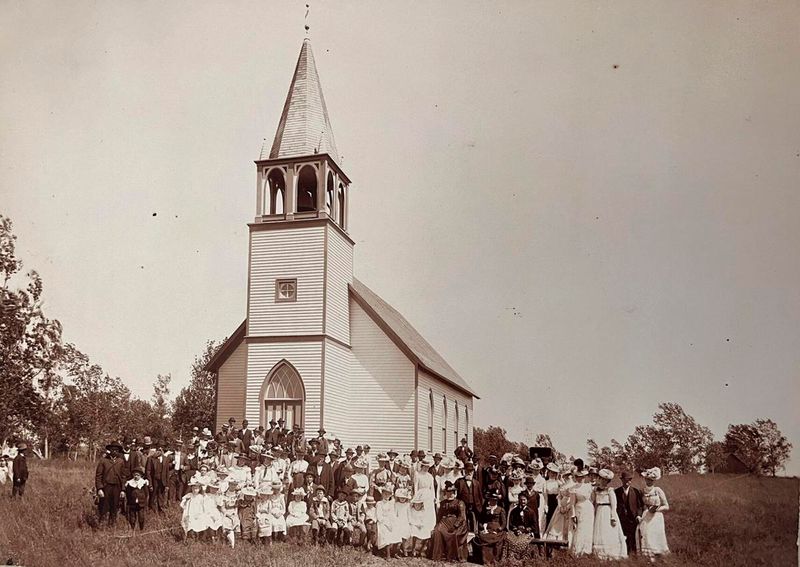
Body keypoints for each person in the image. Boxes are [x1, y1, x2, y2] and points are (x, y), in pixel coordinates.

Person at [591, 469, 627, 560]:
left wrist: (613, 516)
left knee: (608, 531)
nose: (603, 481)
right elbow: (593, 502)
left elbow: (614, 505)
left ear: (608, 481)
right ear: (599, 479)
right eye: (602, 479)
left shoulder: (610, 490)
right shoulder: (595, 490)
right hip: (599, 511)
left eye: (605, 480)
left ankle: (610, 553)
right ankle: (599, 554)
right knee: (599, 530)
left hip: (607, 511)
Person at [431, 481, 468, 561]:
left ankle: (452, 556)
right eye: (448, 493)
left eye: (451, 493)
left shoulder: (460, 503)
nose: (450, 494)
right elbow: (439, 516)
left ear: (455, 493)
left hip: (457, 523)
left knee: (453, 534)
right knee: (437, 531)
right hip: (444, 522)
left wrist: (456, 525)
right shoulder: (443, 503)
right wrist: (437, 524)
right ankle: (437, 555)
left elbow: (461, 516)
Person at [637, 467, 670, 559]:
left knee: (655, 534)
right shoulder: (642, 491)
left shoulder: (658, 490)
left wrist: (656, 509)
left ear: (654, 481)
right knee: (646, 533)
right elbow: (641, 505)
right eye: (647, 479)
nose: (649, 481)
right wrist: (641, 514)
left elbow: (666, 506)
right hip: (646, 514)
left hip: (656, 516)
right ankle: (648, 555)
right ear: (645, 479)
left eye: (651, 480)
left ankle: (658, 553)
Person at [95, 442, 127, 526]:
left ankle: (112, 525)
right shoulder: (103, 461)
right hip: (106, 487)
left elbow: (124, 476)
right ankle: (101, 524)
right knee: (104, 506)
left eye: (116, 450)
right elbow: (98, 476)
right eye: (113, 450)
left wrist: (123, 489)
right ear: (109, 450)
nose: (114, 451)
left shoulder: (121, 461)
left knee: (115, 506)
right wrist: (99, 489)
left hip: (117, 487)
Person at [615, 469, 645, 555]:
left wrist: (639, 515)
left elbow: (640, 506)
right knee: (622, 535)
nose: (629, 481)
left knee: (633, 535)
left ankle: (634, 552)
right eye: (627, 479)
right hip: (621, 518)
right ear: (622, 480)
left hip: (633, 518)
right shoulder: (616, 492)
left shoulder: (636, 491)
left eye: (630, 479)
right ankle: (623, 552)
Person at [544, 464, 575, 542]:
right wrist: (560, 506)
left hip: (569, 506)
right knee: (556, 523)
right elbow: (559, 496)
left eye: (569, 475)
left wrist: (567, 507)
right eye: (566, 475)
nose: (568, 477)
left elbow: (572, 498)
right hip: (560, 505)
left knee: (566, 524)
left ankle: (566, 540)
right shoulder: (563, 484)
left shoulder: (573, 485)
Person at [474, 490, 507, 564]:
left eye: (494, 500)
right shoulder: (486, 510)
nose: (492, 502)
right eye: (491, 500)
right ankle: (486, 560)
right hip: (487, 528)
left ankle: (495, 559)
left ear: (497, 501)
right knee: (483, 537)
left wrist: (499, 529)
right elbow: (482, 520)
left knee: (496, 538)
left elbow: (504, 523)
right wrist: (483, 528)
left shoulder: (500, 510)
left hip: (497, 529)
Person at [570, 469, 594, 556]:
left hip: (588, 509)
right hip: (579, 508)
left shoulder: (589, 486)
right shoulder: (573, 488)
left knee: (588, 528)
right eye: (578, 477)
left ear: (585, 477)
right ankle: (578, 550)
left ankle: (587, 549)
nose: (580, 479)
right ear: (576, 477)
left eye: (582, 477)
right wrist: (573, 515)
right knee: (580, 528)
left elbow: (592, 499)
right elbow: (572, 503)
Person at [454, 460, 483, 532]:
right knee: (463, 520)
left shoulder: (477, 483)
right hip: (462, 505)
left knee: (473, 520)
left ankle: (474, 534)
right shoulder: (459, 481)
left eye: (471, 471)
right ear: (464, 471)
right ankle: (463, 533)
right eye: (467, 471)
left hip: (474, 505)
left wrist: (480, 506)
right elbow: (455, 495)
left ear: (473, 472)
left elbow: (480, 496)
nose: (469, 473)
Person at [413, 456, 438, 538]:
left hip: (428, 496)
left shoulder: (430, 476)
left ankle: (428, 531)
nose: (426, 468)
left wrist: (434, 497)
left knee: (429, 513)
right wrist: (416, 498)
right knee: (421, 513)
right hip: (420, 495)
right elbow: (415, 487)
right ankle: (420, 532)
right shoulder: (417, 474)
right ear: (422, 466)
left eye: (427, 467)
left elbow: (432, 488)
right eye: (425, 467)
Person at [376, 484, 401, 558]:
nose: (386, 495)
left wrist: (393, 522)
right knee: (386, 533)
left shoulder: (391, 503)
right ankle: (388, 554)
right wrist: (387, 523)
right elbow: (379, 516)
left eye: (388, 494)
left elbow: (392, 514)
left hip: (390, 521)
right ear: (382, 493)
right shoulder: (379, 503)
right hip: (382, 522)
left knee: (397, 531)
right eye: (385, 493)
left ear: (390, 495)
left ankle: (394, 552)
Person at [145, 446, 170, 513]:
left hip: (162, 481)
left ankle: (161, 509)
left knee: (161, 495)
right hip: (154, 480)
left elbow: (167, 472)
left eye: (161, 449)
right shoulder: (151, 459)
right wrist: (150, 483)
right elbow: (148, 472)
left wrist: (167, 484)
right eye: (158, 449)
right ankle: (151, 509)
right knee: (152, 495)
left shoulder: (166, 459)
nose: (159, 451)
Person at [124, 466, 149, 531]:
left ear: (140, 476)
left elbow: (146, 493)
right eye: (135, 475)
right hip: (132, 503)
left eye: (138, 475)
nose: (136, 476)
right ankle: (132, 528)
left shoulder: (143, 483)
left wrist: (143, 500)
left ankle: (141, 529)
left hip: (141, 503)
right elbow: (128, 493)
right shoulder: (130, 483)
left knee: (141, 517)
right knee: (132, 517)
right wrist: (130, 501)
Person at [408, 491, 431, 557]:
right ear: (413, 504)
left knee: (427, 533)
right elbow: (410, 519)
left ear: (422, 504)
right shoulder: (412, 510)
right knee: (414, 532)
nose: (417, 506)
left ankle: (421, 550)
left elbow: (425, 520)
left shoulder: (423, 511)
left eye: (419, 504)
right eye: (416, 504)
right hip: (414, 525)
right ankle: (413, 549)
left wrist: (421, 524)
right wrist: (416, 524)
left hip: (421, 525)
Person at [393, 487, 412, 555]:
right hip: (399, 520)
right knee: (399, 535)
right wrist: (395, 521)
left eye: (404, 498)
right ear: (398, 498)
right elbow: (395, 513)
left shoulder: (407, 505)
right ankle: (398, 549)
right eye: (401, 498)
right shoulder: (396, 504)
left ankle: (404, 548)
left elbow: (409, 514)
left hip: (405, 520)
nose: (402, 499)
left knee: (405, 535)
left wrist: (410, 521)